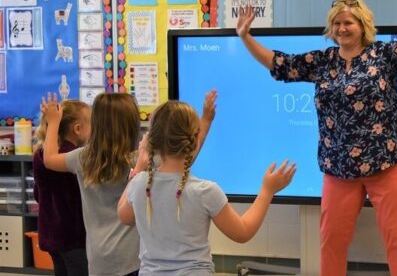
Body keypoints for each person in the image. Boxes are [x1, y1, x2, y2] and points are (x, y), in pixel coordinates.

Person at [236, 0, 397, 275]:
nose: (342, 28)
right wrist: (245, 38)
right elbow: (280, 65)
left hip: (388, 161)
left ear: (363, 25)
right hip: (338, 166)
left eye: (348, 22)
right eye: (336, 23)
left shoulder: (382, 54)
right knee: (330, 241)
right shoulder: (323, 61)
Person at [116, 91, 296, 275]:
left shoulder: (139, 184)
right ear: (193, 142)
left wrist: (139, 167)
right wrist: (267, 190)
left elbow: (124, 216)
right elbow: (242, 233)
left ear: (151, 140)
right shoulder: (205, 192)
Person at [41, 92, 142, 276]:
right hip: (133, 259)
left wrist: (53, 122)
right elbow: (185, 158)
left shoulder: (84, 157)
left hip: (99, 259)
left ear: (97, 125)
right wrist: (206, 122)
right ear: (133, 125)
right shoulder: (138, 159)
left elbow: (48, 159)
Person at [33, 100, 90, 276]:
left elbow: (37, 194)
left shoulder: (41, 153)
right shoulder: (71, 156)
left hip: (52, 235)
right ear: (78, 129)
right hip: (73, 238)